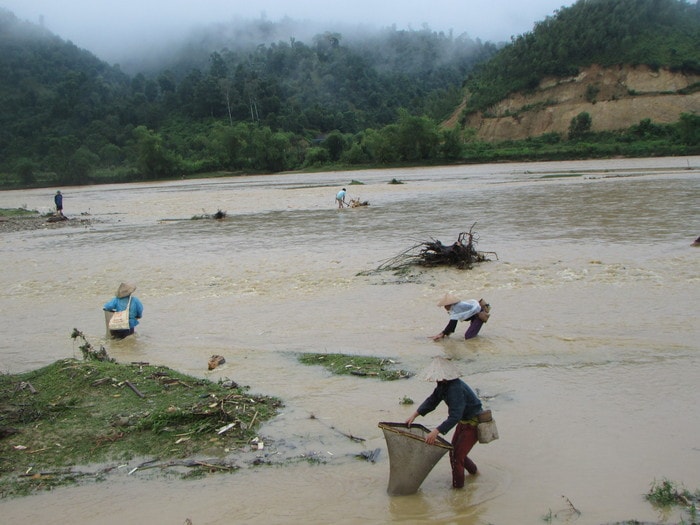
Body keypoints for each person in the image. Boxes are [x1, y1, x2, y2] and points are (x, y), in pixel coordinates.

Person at [405, 356, 483, 488]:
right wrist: (415, 415)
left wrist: (436, 431)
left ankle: (458, 492)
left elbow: (455, 416)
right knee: (454, 452)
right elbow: (432, 400)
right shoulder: (443, 385)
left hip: (474, 423)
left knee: (457, 457)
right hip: (464, 422)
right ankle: (475, 474)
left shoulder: (455, 388)